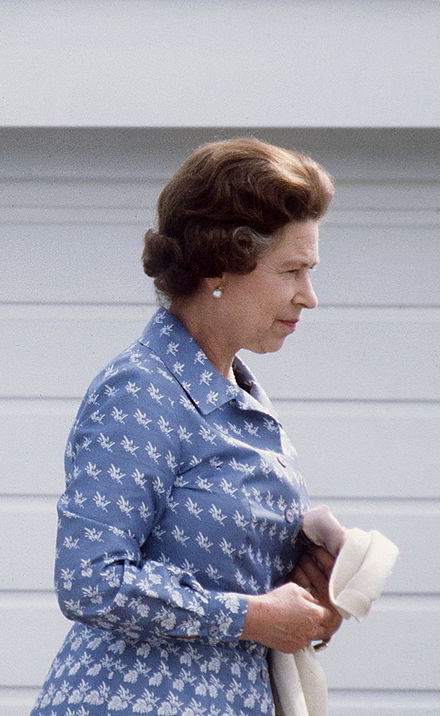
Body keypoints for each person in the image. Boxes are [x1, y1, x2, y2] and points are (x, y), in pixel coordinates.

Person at [31, 138, 342, 716]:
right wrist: (251, 616)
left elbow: (230, 578)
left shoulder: (241, 397)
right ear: (219, 265)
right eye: (292, 271)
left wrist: (312, 588)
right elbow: (89, 578)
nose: (309, 297)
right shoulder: (141, 389)